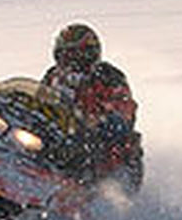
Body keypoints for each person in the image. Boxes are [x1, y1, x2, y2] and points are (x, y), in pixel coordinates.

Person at [41, 23, 143, 191]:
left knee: (90, 148)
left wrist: (102, 119)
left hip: (102, 142)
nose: (70, 60)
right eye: (65, 54)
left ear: (89, 54)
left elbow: (124, 108)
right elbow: (40, 98)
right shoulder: (53, 76)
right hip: (63, 132)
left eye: (75, 54)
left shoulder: (109, 77)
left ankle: (90, 191)